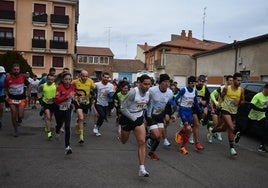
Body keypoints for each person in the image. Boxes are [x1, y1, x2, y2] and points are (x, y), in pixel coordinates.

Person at [119, 74, 151, 177]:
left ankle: (142, 168)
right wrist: (132, 118)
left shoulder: (149, 93)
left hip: (139, 118)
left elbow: (149, 104)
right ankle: (120, 130)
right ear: (139, 83)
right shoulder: (133, 92)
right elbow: (122, 108)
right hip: (127, 118)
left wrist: (149, 116)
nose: (147, 86)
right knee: (123, 141)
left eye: (149, 84)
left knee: (142, 141)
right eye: (145, 84)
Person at [212, 72, 245, 156]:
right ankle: (232, 148)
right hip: (225, 110)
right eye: (238, 80)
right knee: (231, 127)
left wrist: (238, 102)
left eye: (241, 80)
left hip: (234, 111)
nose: (239, 82)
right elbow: (222, 97)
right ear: (234, 80)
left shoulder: (241, 90)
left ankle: (213, 131)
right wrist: (219, 104)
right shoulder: (227, 88)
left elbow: (243, 101)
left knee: (223, 129)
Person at [146, 74, 176, 160]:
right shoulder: (152, 90)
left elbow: (169, 105)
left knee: (158, 137)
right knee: (156, 134)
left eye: (168, 82)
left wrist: (171, 114)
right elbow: (144, 100)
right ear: (160, 83)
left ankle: (151, 151)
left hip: (160, 115)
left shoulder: (170, 92)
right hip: (150, 114)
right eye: (165, 82)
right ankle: (148, 136)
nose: (167, 84)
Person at [234, 83, 268, 152]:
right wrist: (261, 109)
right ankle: (239, 134)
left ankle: (262, 146)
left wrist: (264, 110)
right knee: (246, 130)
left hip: (261, 116)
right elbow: (251, 106)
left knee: (266, 129)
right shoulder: (258, 96)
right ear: (265, 89)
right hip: (253, 116)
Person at [174, 76, 203, 154]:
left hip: (189, 111)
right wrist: (174, 108)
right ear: (189, 83)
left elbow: (196, 103)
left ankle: (180, 134)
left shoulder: (194, 91)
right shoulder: (184, 90)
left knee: (188, 130)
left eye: (194, 83)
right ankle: (183, 147)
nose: (193, 84)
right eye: (192, 83)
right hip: (183, 110)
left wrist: (200, 110)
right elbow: (176, 99)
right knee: (189, 128)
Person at [4, 64, 30, 137]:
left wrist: (27, 95)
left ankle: (20, 119)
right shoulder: (8, 78)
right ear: (12, 70)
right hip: (12, 99)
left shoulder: (23, 77)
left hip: (21, 99)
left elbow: (29, 85)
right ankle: (15, 130)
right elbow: (5, 88)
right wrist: (6, 95)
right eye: (15, 69)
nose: (16, 71)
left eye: (17, 69)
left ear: (19, 70)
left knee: (20, 115)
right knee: (13, 114)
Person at [54, 72, 75, 154]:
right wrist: (67, 97)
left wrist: (74, 99)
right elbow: (56, 100)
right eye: (66, 79)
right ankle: (57, 130)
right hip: (58, 109)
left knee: (67, 126)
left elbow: (73, 96)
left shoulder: (72, 87)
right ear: (62, 80)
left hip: (68, 109)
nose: (68, 81)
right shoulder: (59, 87)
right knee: (59, 124)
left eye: (69, 79)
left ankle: (67, 146)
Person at [72, 70, 95, 144]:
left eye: (86, 76)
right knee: (81, 118)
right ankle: (81, 136)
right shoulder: (75, 82)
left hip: (86, 102)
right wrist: (73, 96)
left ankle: (77, 124)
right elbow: (70, 89)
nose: (85, 78)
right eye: (83, 76)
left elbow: (94, 88)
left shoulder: (90, 81)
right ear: (80, 76)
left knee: (83, 118)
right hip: (78, 102)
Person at [208, 75, 233, 143]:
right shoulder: (221, 88)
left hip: (225, 109)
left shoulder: (233, 90)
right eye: (230, 80)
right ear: (227, 81)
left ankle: (213, 131)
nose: (231, 82)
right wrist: (216, 102)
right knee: (216, 124)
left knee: (221, 125)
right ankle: (210, 135)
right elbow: (212, 94)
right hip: (218, 109)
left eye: (232, 80)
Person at [93, 72, 114, 136]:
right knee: (101, 115)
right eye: (105, 77)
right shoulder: (97, 84)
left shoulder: (111, 85)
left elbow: (111, 96)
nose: (106, 79)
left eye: (107, 78)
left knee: (103, 118)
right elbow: (91, 88)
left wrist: (109, 94)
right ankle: (96, 127)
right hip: (98, 103)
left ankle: (97, 128)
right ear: (102, 77)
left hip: (106, 104)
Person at [37, 74, 56, 140]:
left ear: (54, 80)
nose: (50, 81)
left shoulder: (56, 85)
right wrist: (40, 100)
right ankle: (49, 133)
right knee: (48, 117)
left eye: (52, 79)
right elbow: (38, 91)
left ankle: (47, 126)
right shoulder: (43, 85)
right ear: (46, 79)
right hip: (46, 103)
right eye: (49, 79)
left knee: (50, 117)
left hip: (53, 103)